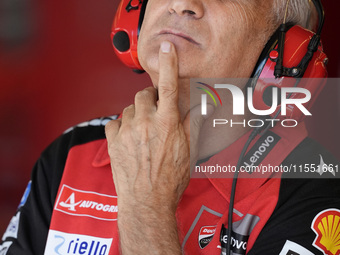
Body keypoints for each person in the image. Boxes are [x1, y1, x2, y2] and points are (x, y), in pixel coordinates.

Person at [1, 0, 339, 254]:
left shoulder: (317, 195)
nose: (181, 4)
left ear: (281, 53)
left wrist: (148, 207)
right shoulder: (73, 153)